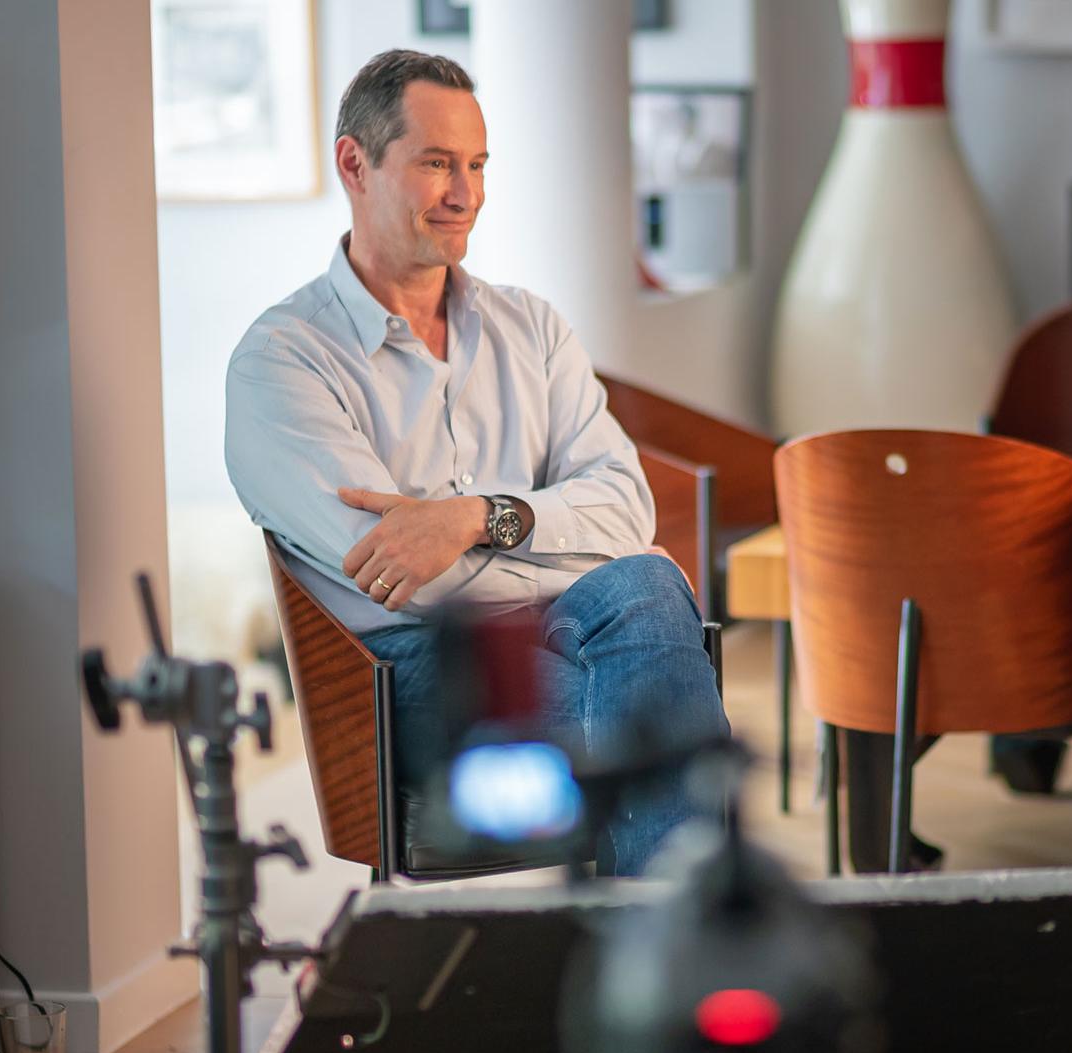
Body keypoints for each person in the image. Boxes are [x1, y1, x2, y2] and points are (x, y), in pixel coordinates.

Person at [224, 49, 727, 875]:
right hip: (409, 674)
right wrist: (589, 555)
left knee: (641, 586)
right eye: (435, 164)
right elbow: (411, 582)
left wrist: (477, 518)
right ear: (355, 163)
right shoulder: (285, 364)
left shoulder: (532, 328)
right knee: (657, 695)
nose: (465, 195)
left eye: (477, 165)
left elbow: (626, 504)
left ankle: (655, 951)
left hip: (580, 631)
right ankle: (683, 957)